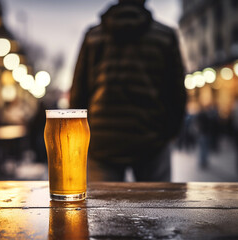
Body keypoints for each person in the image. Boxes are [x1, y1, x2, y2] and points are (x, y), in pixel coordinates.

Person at [70, 0, 186, 181]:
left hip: (101, 140)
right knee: (156, 206)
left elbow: (79, 90)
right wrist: (169, 132)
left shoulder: (94, 36)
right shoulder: (165, 35)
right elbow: (176, 91)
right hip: (151, 138)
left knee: (102, 205)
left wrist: (81, 132)